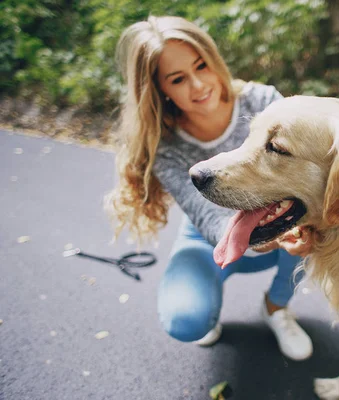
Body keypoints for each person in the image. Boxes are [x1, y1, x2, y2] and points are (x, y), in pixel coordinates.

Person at [104, 15, 313, 361]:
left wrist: (287, 226)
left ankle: (276, 308)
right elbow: (210, 217)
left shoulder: (263, 101)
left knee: (311, 219)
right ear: (160, 90)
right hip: (212, 238)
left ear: (213, 59)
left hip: (278, 216)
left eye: (202, 66)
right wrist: (258, 235)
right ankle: (208, 308)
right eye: (178, 79)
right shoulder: (165, 145)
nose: (199, 85)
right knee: (187, 321)